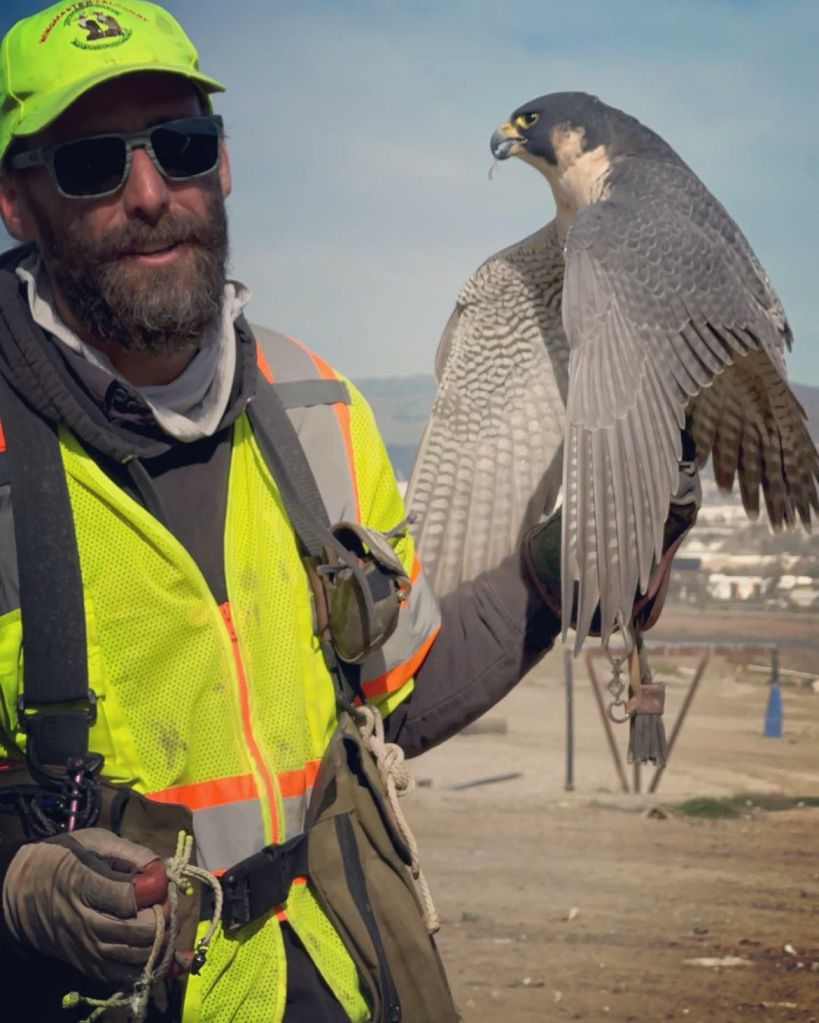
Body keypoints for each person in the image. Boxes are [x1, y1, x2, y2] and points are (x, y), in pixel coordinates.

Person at [0, 3, 698, 1021]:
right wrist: (14, 884)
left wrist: (560, 572)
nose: (150, 194)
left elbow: (398, 696)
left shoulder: (316, 409)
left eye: (184, 147)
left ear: (224, 167)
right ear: (16, 203)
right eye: (91, 164)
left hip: (337, 970)